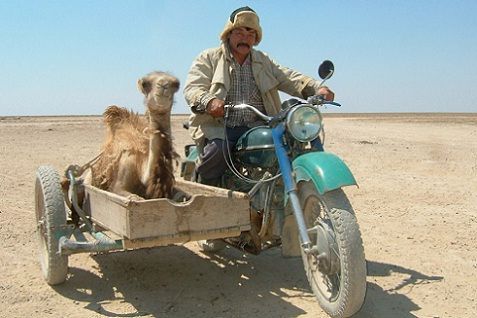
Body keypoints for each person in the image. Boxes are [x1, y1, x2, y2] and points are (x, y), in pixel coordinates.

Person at [184, 6, 334, 185]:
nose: (245, 39)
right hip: (222, 126)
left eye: (250, 34)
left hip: (259, 125)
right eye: (239, 33)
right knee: (219, 151)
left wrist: (316, 88)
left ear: (255, 39)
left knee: (290, 145)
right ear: (228, 34)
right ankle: (206, 194)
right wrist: (209, 101)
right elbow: (193, 88)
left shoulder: (263, 61)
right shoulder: (208, 57)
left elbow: (289, 77)